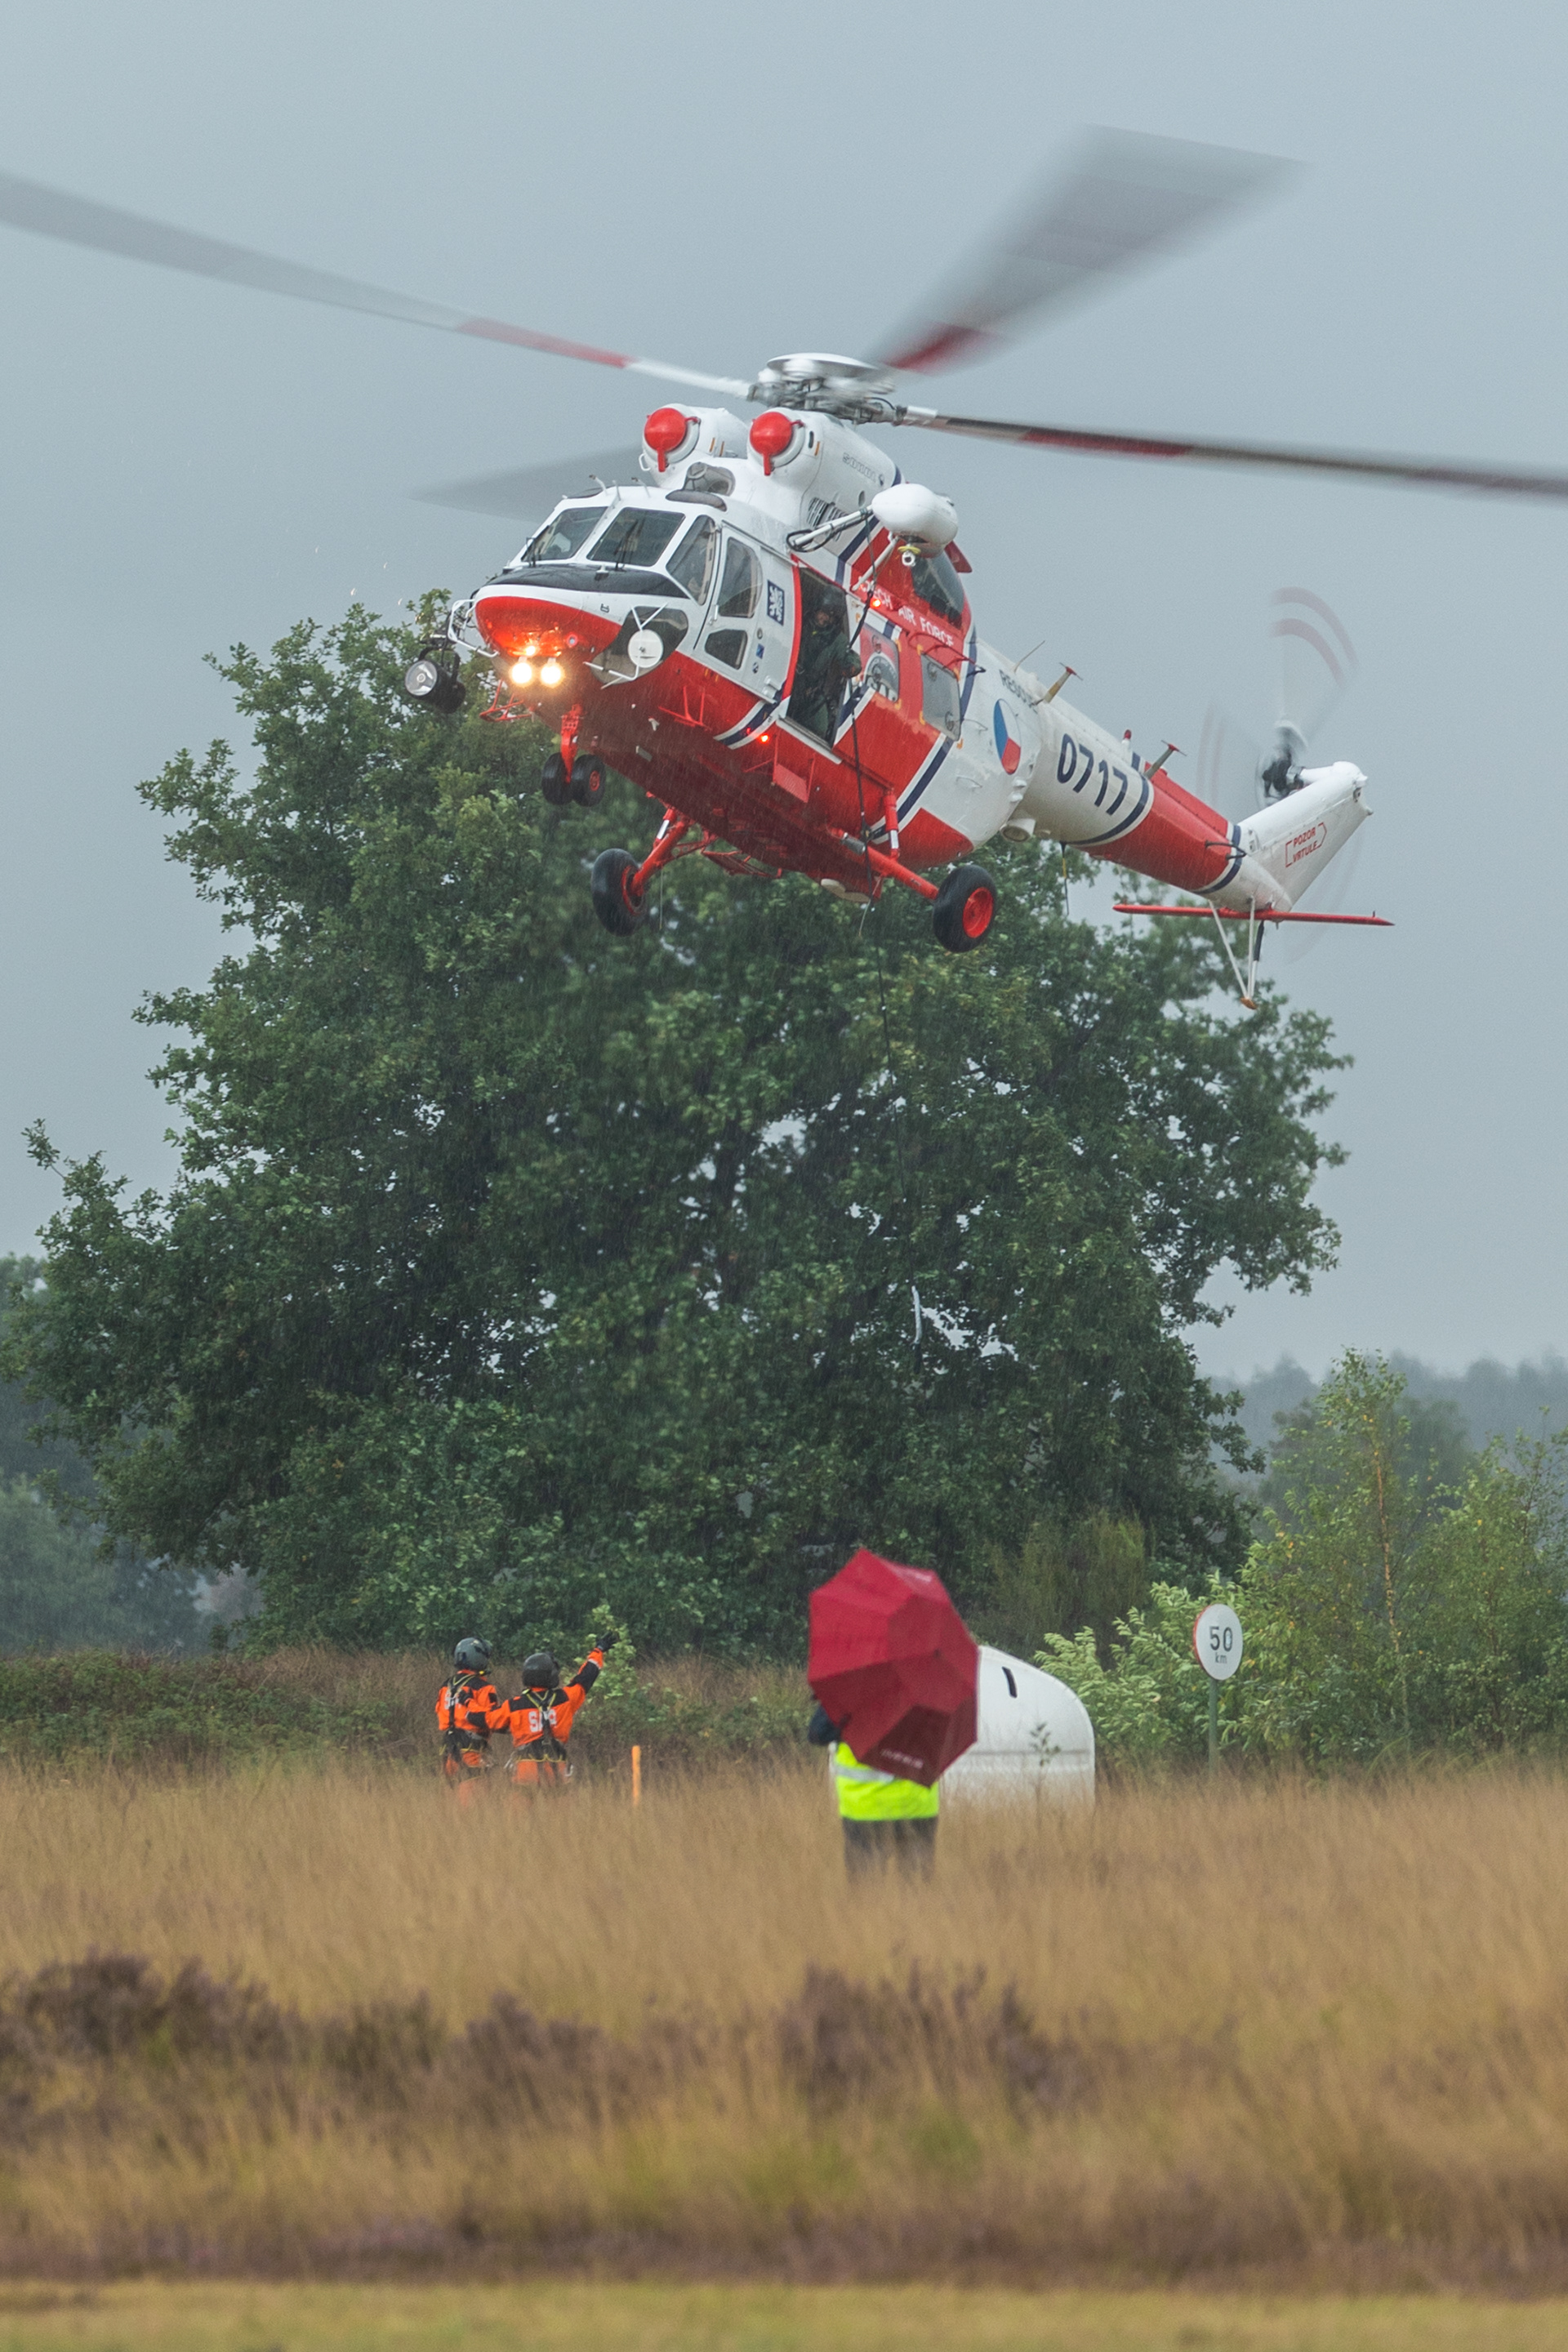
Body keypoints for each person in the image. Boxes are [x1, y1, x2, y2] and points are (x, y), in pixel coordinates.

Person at [808, 1701, 940, 1878]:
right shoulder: (927, 1692)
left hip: (867, 1809)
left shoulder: (852, 1692)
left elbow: (818, 1733)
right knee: (918, 1892)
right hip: (917, 1806)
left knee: (867, 1895)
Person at [503, 1641, 608, 1792]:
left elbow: (487, 1721)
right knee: (558, 1813)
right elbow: (587, 1677)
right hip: (556, 1770)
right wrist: (598, 1651)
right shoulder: (566, 1699)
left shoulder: (513, 1706)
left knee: (520, 1814)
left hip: (526, 1771)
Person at [437, 1637, 508, 1800]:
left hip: (447, 1750)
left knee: (449, 1804)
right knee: (474, 1807)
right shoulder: (483, 1688)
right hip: (472, 1750)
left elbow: (441, 1714)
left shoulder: (445, 1687)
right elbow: (491, 1719)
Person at [789, 599, 862, 743]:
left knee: (819, 729)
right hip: (791, 682)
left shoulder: (837, 639)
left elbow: (848, 657)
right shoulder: (800, 621)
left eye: (829, 615)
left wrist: (852, 666)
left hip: (813, 694)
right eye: (822, 612)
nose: (824, 618)